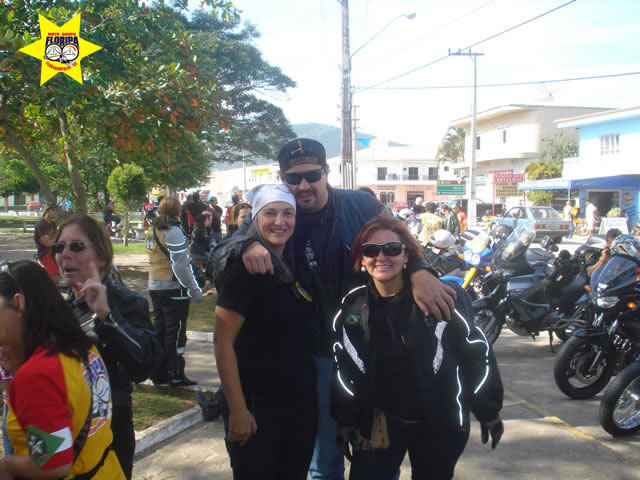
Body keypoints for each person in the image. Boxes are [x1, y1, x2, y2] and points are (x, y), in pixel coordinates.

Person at [214, 138, 456, 480]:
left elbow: (400, 240)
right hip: (316, 356)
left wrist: (420, 270)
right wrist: (247, 244)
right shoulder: (281, 212)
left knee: (378, 453)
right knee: (326, 460)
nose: (303, 185)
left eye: (312, 175)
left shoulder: (360, 204)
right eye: (293, 178)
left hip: (374, 347)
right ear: (282, 179)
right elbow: (223, 250)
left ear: (327, 172)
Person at [332, 214, 504, 480]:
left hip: (438, 420)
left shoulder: (439, 298)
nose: (381, 257)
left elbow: (477, 352)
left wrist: (488, 408)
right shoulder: (353, 306)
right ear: (361, 259)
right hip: (379, 420)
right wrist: (345, 418)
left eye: (392, 249)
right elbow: (344, 366)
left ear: (406, 256)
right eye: (371, 250)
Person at [215, 184, 317, 480]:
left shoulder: (295, 262)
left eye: (288, 213)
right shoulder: (245, 269)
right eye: (270, 213)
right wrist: (238, 409)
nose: (280, 221)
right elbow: (222, 343)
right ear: (256, 217)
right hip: (257, 407)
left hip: (300, 406)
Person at [52, 215, 160, 479]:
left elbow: (144, 364)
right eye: (59, 247)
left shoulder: (126, 302)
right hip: (60, 425)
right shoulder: (60, 306)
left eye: (77, 246)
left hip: (107, 429)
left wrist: (106, 316)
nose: (65, 254)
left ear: (101, 257)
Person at [0, 260, 125, 478]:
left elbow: (53, 464)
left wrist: (8, 465)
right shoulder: (82, 347)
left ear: (18, 303)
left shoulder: (37, 376)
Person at [148, 196, 203, 388]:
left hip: (155, 284)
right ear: (178, 210)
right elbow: (181, 266)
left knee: (160, 330)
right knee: (176, 332)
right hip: (173, 287)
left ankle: (158, 372)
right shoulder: (174, 231)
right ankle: (176, 373)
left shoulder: (153, 229)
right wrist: (194, 289)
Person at [34, 205, 59, 278]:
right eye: (53, 210)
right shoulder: (41, 224)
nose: (55, 212)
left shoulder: (53, 224)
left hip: (54, 252)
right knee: (54, 279)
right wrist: (57, 234)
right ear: (46, 211)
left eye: (56, 210)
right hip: (45, 253)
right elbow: (47, 244)